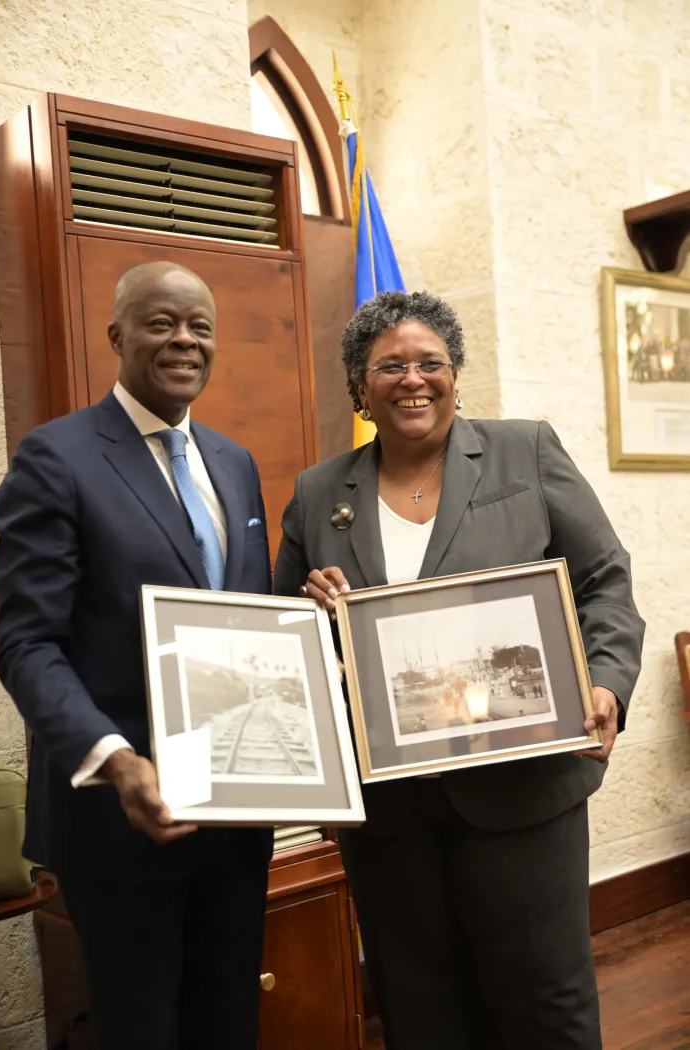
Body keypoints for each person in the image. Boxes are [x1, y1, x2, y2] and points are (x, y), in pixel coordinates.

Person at [273, 290, 645, 1050]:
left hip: (524, 792)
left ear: (454, 374)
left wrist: (606, 681)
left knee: (545, 1005)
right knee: (419, 1008)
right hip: (389, 813)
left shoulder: (524, 451)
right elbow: (285, 637)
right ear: (360, 386)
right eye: (390, 367)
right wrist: (312, 608)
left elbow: (604, 580)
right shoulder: (318, 493)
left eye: (430, 363)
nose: (413, 379)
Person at [0, 261, 273, 1050]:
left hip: (233, 816)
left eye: (200, 327)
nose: (184, 340)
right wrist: (117, 761)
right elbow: (26, 644)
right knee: (142, 1031)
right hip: (119, 825)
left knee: (230, 1025)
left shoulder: (233, 462)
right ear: (117, 336)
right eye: (161, 323)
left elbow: (246, 622)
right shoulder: (56, 458)